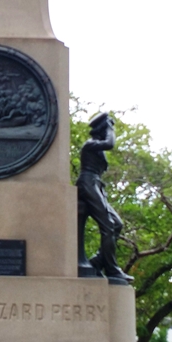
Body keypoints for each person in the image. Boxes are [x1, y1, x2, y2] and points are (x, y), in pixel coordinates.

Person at [76, 113, 133, 285]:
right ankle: (112, 269)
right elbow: (110, 143)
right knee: (107, 224)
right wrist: (110, 129)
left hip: (96, 184)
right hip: (87, 183)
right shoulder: (90, 144)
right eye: (108, 126)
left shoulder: (97, 147)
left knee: (117, 224)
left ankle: (98, 262)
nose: (111, 129)